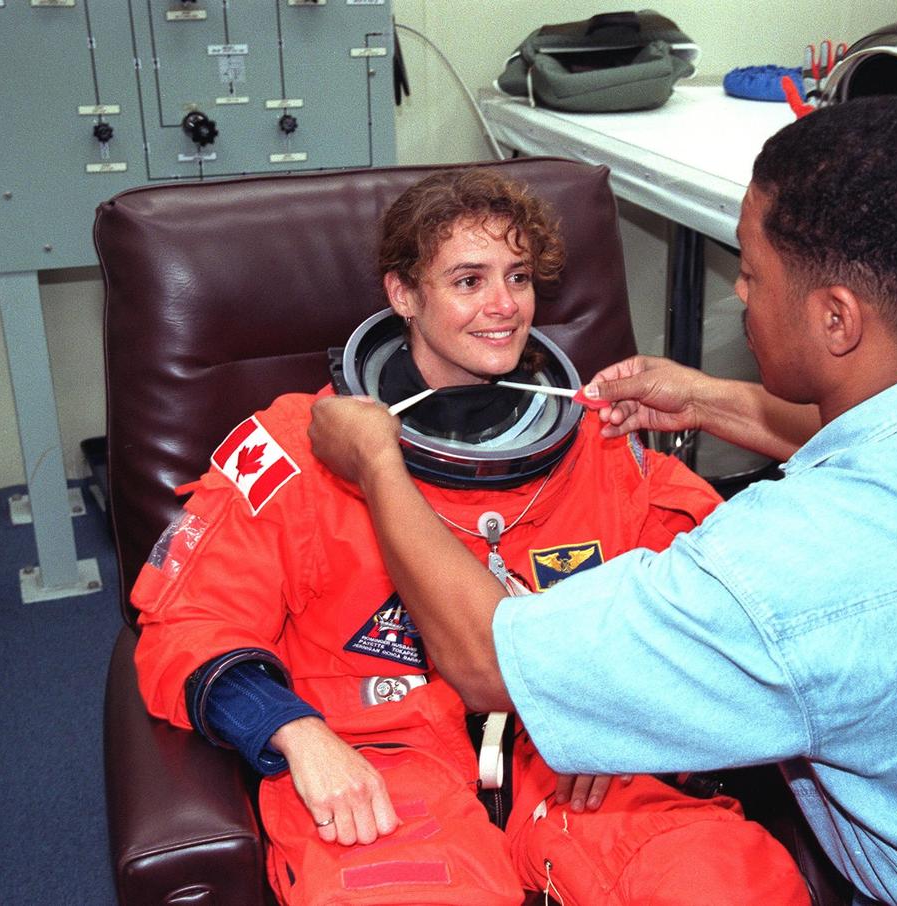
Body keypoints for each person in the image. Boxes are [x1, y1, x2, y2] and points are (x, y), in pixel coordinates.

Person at [307, 97, 897, 905]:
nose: (738, 292)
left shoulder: (779, 572)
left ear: (836, 319)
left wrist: (380, 463)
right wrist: (712, 398)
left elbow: (489, 663)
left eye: (753, 274)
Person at [132, 168, 807, 906]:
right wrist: (294, 733)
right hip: (383, 767)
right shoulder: (295, 448)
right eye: (467, 281)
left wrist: (618, 708)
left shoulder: (597, 435)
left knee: (731, 884)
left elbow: (718, 593)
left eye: (519, 277)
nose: (504, 307)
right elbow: (189, 625)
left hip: (578, 764)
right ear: (403, 295)